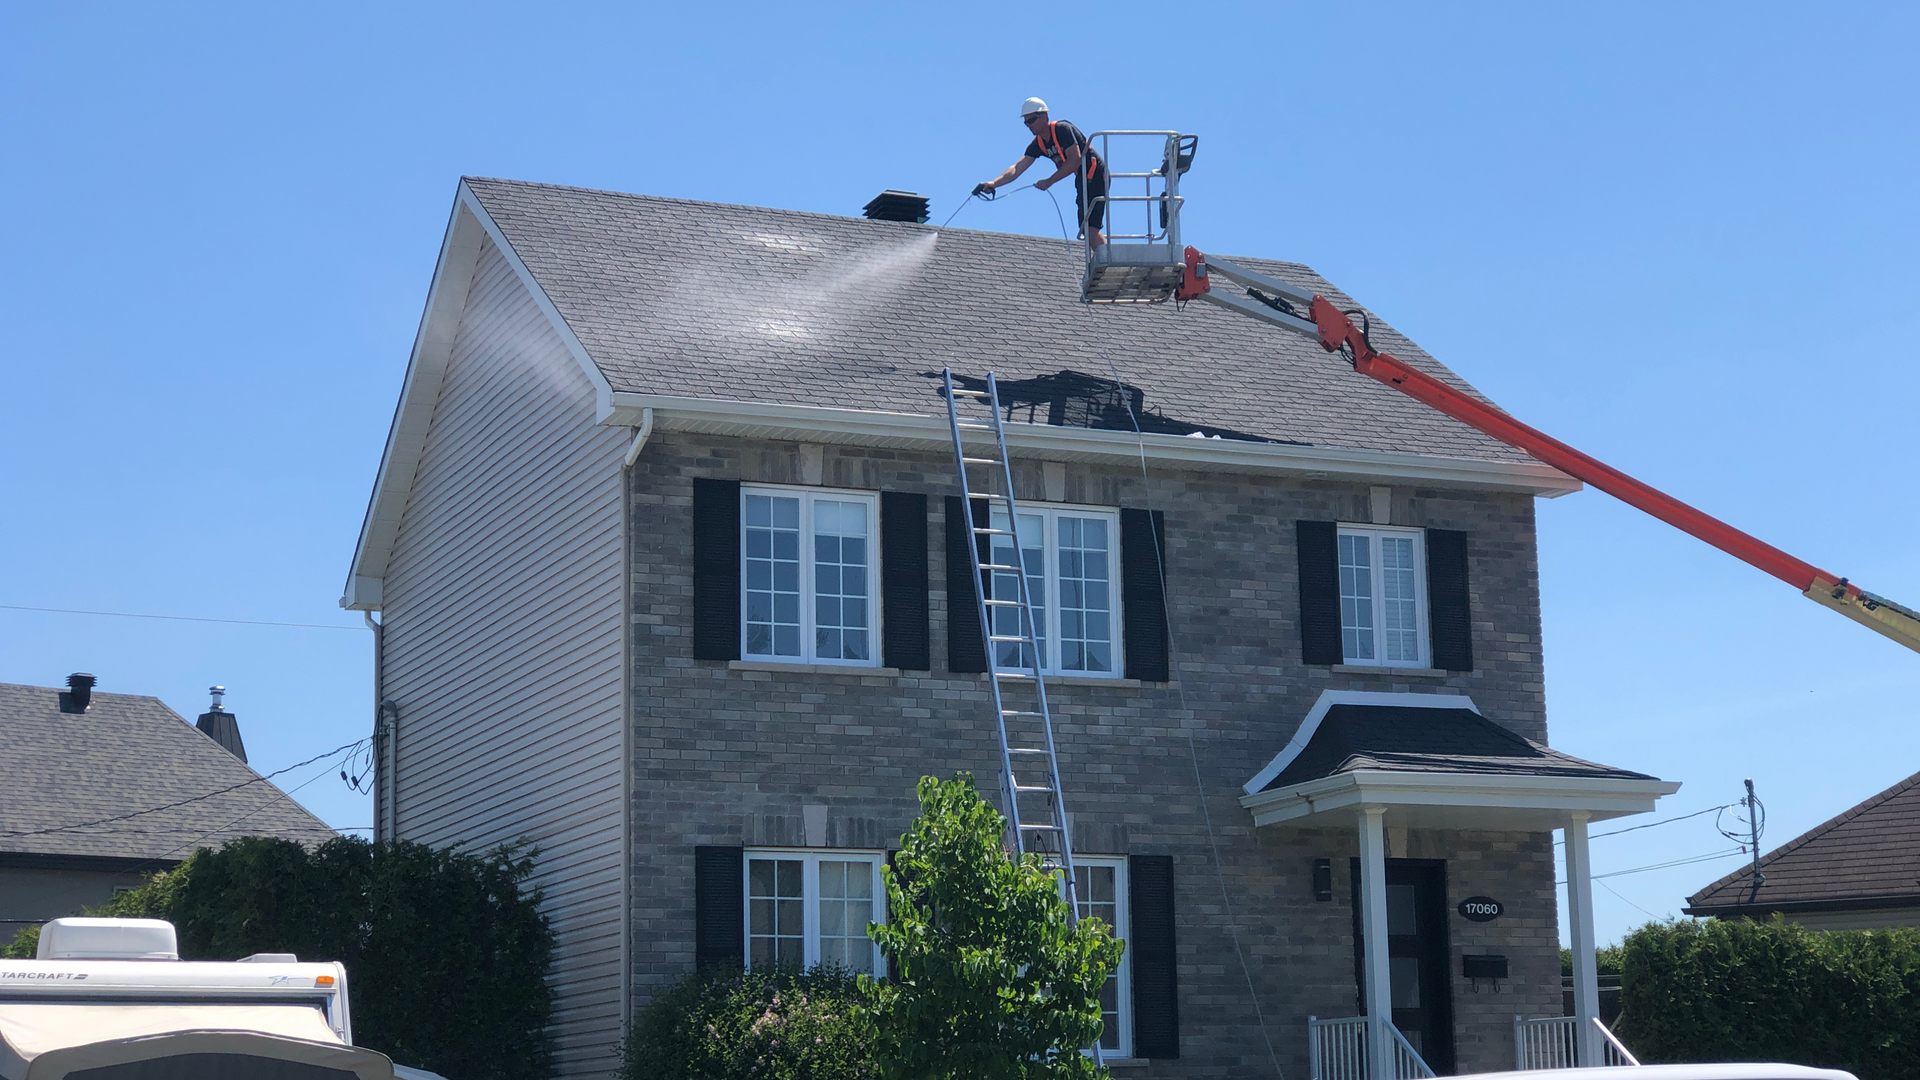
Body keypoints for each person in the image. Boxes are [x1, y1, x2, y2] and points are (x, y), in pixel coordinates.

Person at [974, 97, 1108, 249]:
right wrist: (994, 183)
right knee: (1086, 227)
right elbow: (1017, 167)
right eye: (1026, 122)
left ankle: (1107, 260)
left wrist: (1049, 181)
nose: (1028, 126)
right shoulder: (1038, 144)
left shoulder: (1062, 130)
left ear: (1044, 117)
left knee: (1090, 227)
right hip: (1082, 179)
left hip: (1095, 174)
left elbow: (1074, 160)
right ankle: (1104, 258)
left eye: (1031, 120)